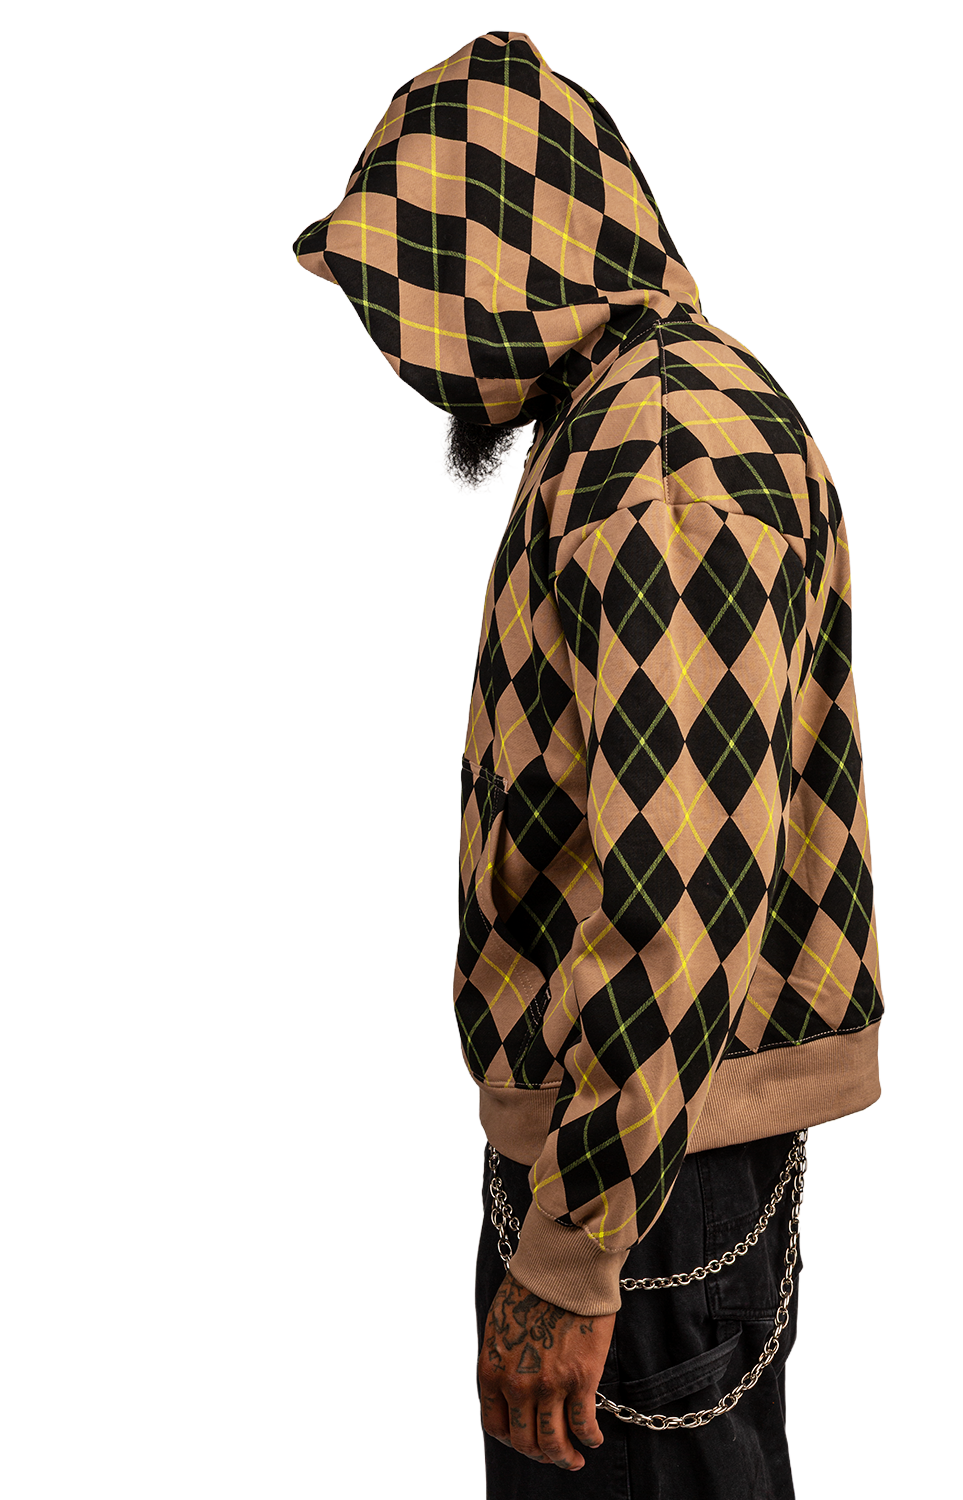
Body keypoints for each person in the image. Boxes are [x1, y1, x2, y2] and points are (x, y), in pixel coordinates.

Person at [294, 30, 883, 1498]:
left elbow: (681, 885)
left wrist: (570, 1254)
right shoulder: (643, 420)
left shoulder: (664, 452)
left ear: (511, 255)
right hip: (640, 1161)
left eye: (420, 294)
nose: (413, 354)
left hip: (638, 1175)